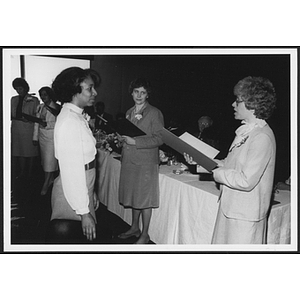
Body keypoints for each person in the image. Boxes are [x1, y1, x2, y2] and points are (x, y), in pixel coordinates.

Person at [210, 76, 277, 244]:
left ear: (252, 104)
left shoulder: (262, 137)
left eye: (238, 101)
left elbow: (246, 181)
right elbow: (231, 164)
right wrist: (203, 162)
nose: (233, 104)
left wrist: (218, 174)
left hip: (244, 216)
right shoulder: (246, 131)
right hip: (231, 208)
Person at [47, 67, 101, 243]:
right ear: (75, 92)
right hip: (73, 192)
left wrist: (91, 191)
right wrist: (84, 212)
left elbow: (84, 159)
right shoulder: (70, 121)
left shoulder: (75, 116)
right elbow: (72, 170)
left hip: (81, 186)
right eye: (89, 88)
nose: (95, 92)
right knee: (77, 242)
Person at [118, 78, 164, 244]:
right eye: (136, 91)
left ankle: (145, 234)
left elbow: (160, 138)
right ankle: (134, 227)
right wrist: (121, 139)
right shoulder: (129, 112)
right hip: (130, 160)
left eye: (143, 92)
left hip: (146, 163)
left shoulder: (154, 113)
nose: (139, 95)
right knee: (134, 196)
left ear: (147, 95)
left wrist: (135, 142)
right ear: (131, 93)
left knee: (144, 199)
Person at [11, 78, 40, 181]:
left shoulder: (34, 100)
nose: (19, 91)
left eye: (20, 88)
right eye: (17, 89)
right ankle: (22, 172)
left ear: (25, 88)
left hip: (28, 128)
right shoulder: (13, 99)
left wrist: (29, 118)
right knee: (19, 151)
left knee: (30, 151)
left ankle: (30, 172)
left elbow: (37, 115)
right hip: (17, 128)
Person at [33, 86, 60, 195]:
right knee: (45, 161)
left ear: (50, 95)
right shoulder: (40, 107)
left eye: (45, 95)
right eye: (41, 95)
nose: (43, 97)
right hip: (42, 137)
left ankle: (46, 182)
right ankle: (49, 179)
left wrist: (47, 124)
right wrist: (35, 137)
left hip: (52, 136)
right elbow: (36, 123)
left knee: (50, 161)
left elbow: (59, 123)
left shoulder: (57, 107)